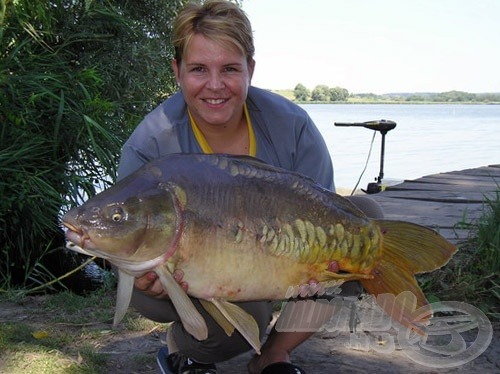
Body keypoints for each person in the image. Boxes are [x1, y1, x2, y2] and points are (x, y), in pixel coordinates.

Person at [117, 1, 383, 373]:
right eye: (198, 69)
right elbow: (126, 230)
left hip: (282, 256)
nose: (214, 85)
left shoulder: (291, 126)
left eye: (229, 69)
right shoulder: (150, 144)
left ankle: (274, 355)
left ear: (250, 70)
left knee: (364, 221)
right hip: (189, 269)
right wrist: (147, 279)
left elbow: (325, 208)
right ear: (177, 71)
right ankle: (187, 350)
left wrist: (316, 267)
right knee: (240, 318)